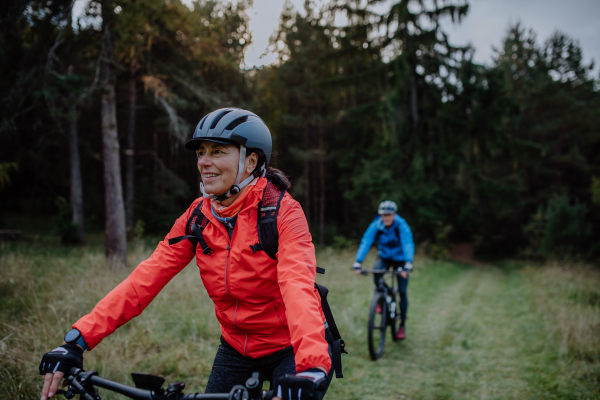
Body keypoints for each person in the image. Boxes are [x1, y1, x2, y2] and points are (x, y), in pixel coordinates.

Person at [39, 108, 333, 400]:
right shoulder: (198, 217)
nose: (204, 162)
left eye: (218, 152)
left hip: (293, 347)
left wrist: (312, 365)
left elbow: (297, 286)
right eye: (201, 152)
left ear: (251, 161)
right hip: (237, 349)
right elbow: (144, 280)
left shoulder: (282, 212)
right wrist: (77, 340)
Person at [352, 200, 414, 340]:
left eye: (389, 215)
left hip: (401, 259)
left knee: (402, 291)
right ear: (380, 215)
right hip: (384, 257)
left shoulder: (401, 226)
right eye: (383, 215)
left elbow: (407, 242)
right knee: (377, 275)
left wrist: (408, 263)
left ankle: (402, 325)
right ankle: (382, 298)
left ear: (394, 215)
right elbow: (366, 241)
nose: (386, 218)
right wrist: (358, 261)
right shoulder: (376, 225)